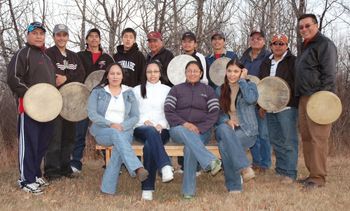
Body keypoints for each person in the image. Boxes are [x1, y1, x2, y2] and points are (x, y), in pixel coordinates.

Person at [7, 22, 56, 194]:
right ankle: (25, 180)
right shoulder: (23, 53)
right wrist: (33, 96)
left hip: (47, 110)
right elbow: (14, 78)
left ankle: (35, 175)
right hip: (29, 107)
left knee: (41, 144)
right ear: (27, 35)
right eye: (34, 33)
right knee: (29, 143)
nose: (38, 36)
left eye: (41, 33)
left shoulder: (47, 58)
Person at [87, 63, 149, 195]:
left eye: (118, 73)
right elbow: (92, 114)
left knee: (118, 149)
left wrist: (123, 126)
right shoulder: (98, 91)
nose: (115, 76)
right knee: (116, 135)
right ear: (107, 75)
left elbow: (135, 116)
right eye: (112, 73)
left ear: (122, 76)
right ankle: (137, 167)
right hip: (103, 131)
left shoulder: (128, 92)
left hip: (124, 130)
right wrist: (110, 124)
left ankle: (107, 189)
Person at [164, 61, 222, 199]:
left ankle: (188, 191)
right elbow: (168, 110)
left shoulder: (208, 91)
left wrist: (200, 128)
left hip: (202, 131)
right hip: (179, 129)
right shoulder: (176, 89)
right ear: (185, 73)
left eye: (196, 71)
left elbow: (214, 112)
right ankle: (209, 161)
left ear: (201, 73)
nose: (192, 73)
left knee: (190, 147)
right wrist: (184, 123)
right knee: (187, 135)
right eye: (189, 71)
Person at [295, 14, 337, 189]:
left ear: (316, 25)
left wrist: (324, 100)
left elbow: (329, 74)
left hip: (319, 99)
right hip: (304, 97)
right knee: (307, 137)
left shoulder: (324, 44)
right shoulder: (305, 46)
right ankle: (312, 174)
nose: (304, 29)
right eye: (301, 27)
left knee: (318, 138)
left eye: (307, 25)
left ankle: (319, 178)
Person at [44, 24, 85, 181]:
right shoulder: (48, 54)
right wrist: (63, 77)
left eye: (64, 35)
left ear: (68, 37)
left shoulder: (74, 56)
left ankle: (65, 168)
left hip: (71, 102)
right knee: (55, 137)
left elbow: (81, 74)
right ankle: (52, 171)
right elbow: (52, 75)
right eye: (58, 35)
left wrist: (67, 77)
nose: (61, 38)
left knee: (69, 137)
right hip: (54, 100)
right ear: (54, 37)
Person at [71, 28, 114, 173]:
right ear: (87, 40)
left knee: (104, 130)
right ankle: (76, 163)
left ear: (100, 40)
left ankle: (110, 162)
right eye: (91, 36)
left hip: (101, 101)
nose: (94, 39)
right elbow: (74, 75)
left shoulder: (107, 58)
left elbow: (113, 77)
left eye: (97, 36)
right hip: (83, 99)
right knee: (79, 132)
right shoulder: (79, 56)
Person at [259, 34, 299, 183]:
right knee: (276, 140)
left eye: (281, 43)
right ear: (270, 45)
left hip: (287, 107)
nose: (278, 46)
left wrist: (288, 100)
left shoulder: (293, 61)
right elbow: (261, 85)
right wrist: (262, 105)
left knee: (288, 140)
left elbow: (297, 84)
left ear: (287, 46)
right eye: (275, 43)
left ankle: (290, 173)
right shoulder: (265, 62)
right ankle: (280, 169)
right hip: (269, 107)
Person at [215, 59, 258, 193]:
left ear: (242, 72)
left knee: (223, 145)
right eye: (229, 71)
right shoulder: (220, 89)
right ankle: (244, 167)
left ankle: (234, 185)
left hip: (247, 130)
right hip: (226, 129)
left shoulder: (250, 86)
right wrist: (226, 120)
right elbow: (218, 112)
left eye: (236, 71)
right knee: (222, 127)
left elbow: (251, 100)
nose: (232, 74)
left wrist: (243, 81)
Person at [133, 61, 173, 201]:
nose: (152, 75)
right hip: (141, 128)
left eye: (155, 71)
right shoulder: (137, 90)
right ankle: (165, 165)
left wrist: (161, 124)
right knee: (150, 132)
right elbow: (133, 112)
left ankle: (147, 189)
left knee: (150, 146)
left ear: (160, 73)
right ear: (145, 73)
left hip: (162, 129)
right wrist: (144, 121)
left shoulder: (167, 90)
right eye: (149, 72)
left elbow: (170, 112)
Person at [241, 30, 271, 174]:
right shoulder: (244, 58)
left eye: (259, 39)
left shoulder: (268, 57)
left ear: (264, 42)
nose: (255, 41)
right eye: (253, 39)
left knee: (263, 133)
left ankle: (265, 163)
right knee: (252, 133)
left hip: (261, 101)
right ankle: (256, 162)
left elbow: (269, 82)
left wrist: (264, 104)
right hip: (247, 100)